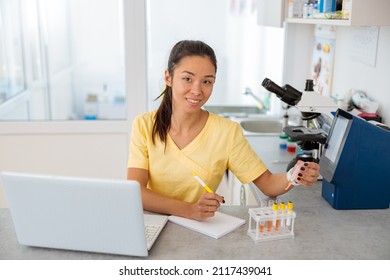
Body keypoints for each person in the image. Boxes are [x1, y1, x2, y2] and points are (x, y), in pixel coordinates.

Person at [127, 40, 320, 221]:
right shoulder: (144, 125)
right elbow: (135, 191)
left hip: (198, 230)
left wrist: (294, 175)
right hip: (152, 223)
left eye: (207, 81)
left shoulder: (226, 132)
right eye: (187, 79)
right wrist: (189, 209)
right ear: (168, 78)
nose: (197, 90)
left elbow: (269, 184)